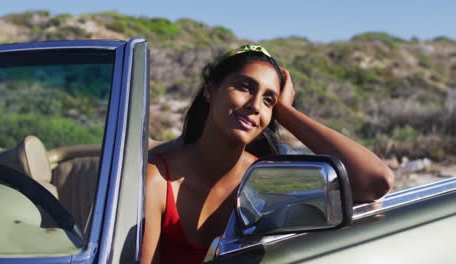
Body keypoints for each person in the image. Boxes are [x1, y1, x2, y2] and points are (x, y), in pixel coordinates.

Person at [141, 45, 394, 264]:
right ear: (211, 88)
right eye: (245, 87)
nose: (254, 105)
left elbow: (375, 181)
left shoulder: (270, 178)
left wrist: (285, 113)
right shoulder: (158, 180)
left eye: (268, 100)